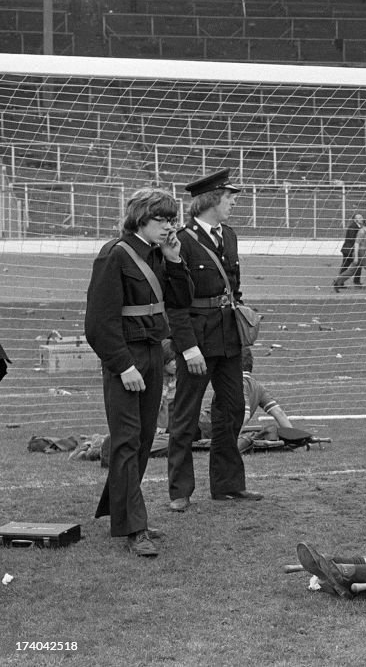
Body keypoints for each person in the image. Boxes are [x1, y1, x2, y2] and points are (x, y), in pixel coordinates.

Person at [85, 187, 193, 557]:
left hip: (151, 353)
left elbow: (179, 302)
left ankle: (124, 511)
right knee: (128, 439)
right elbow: (99, 323)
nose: (168, 227)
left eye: (171, 219)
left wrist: (175, 261)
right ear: (140, 219)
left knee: (145, 438)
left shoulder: (160, 254)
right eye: (161, 219)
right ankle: (134, 526)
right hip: (126, 358)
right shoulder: (114, 255)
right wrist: (123, 366)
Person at [166, 168, 262, 512]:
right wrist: (188, 347)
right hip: (197, 339)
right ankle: (180, 491)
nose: (233, 203)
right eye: (229, 198)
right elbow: (175, 302)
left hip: (227, 337)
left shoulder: (230, 235)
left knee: (233, 408)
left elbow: (233, 287)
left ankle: (228, 485)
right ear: (210, 201)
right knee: (186, 415)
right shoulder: (181, 240)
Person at [196, 346, 293, 453]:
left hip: (207, 425)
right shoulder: (258, 387)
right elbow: (279, 413)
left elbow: (244, 416)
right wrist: (294, 437)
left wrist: (233, 439)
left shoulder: (237, 383)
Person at [334, 215, 366, 294]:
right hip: (360, 253)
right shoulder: (361, 232)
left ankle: (337, 282)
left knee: (351, 271)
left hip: (361, 253)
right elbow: (356, 244)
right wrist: (356, 257)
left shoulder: (365, 232)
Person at [334, 213, 364, 290]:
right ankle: (341, 282)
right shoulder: (353, 227)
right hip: (349, 250)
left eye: (361, 217)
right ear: (355, 220)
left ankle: (340, 282)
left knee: (349, 266)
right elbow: (351, 239)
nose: (362, 219)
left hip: (349, 250)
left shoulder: (358, 226)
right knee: (353, 265)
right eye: (359, 218)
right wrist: (355, 249)